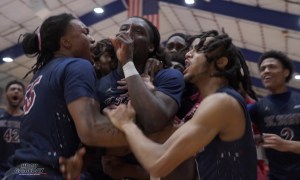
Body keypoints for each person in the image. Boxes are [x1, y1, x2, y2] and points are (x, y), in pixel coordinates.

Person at [105, 30, 258, 179]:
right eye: (190, 49)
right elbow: (161, 151)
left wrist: (127, 125)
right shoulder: (211, 104)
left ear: (221, 61)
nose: (188, 54)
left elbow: (158, 163)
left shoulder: (222, 102)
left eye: (198, 50)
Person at [4, 13, 127, 180]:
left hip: (23, 170)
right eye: (85, 32)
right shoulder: (77, 65)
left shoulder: (39, 74)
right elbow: (90, 130)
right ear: (66, 42)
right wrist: (142, 134)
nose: (92, 39)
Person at [96, 16, 195, 180]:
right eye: (124, 29)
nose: (128, 33)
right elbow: (95, 140)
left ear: (151, 46)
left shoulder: (169, 76)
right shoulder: (99, 84)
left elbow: (154, 121)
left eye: (138, 31)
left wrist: (127, 62)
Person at [248, 50, 300, 179]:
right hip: (275, 176)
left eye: (272, 66)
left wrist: (286, 145)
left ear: (286, 72)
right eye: (262, 68)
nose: (265, 71)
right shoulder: (257, 107)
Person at [0, 80, 24, 178]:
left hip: (19, 170)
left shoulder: (28, 118)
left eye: (19, 90)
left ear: (23, 95)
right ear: (6, 94)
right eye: (13, 89)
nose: (16, 91)